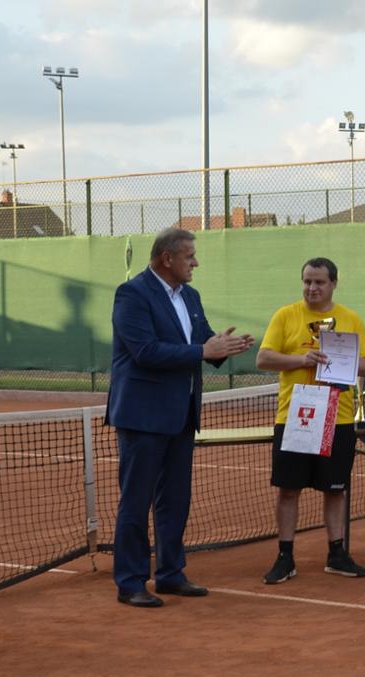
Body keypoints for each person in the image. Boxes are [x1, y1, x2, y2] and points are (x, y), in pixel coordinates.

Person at [109, 227, 254, 608]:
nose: (196, 262)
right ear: (166, 258)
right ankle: (130, 581)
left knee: (175, 499)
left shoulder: (190, 296)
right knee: (136, 501)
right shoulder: (132, 294)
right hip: (141, 415)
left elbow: (202, 342)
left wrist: (225, 347)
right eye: (189, 256)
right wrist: (203, 350)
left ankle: (170, 574)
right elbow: (145, 351)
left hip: (181, 414)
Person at [253, 257, 365, 584]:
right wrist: (301, 359)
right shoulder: (286, 316)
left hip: (339, 418)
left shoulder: (350, 319)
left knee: (335, 490)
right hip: (297, 416)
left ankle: (337, 554)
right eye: (307, 281)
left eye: (319, 282)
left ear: (334, 283)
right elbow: (263, 358)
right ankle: (285, 556)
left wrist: (339, 358)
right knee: (288, 490)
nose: (312, 288)